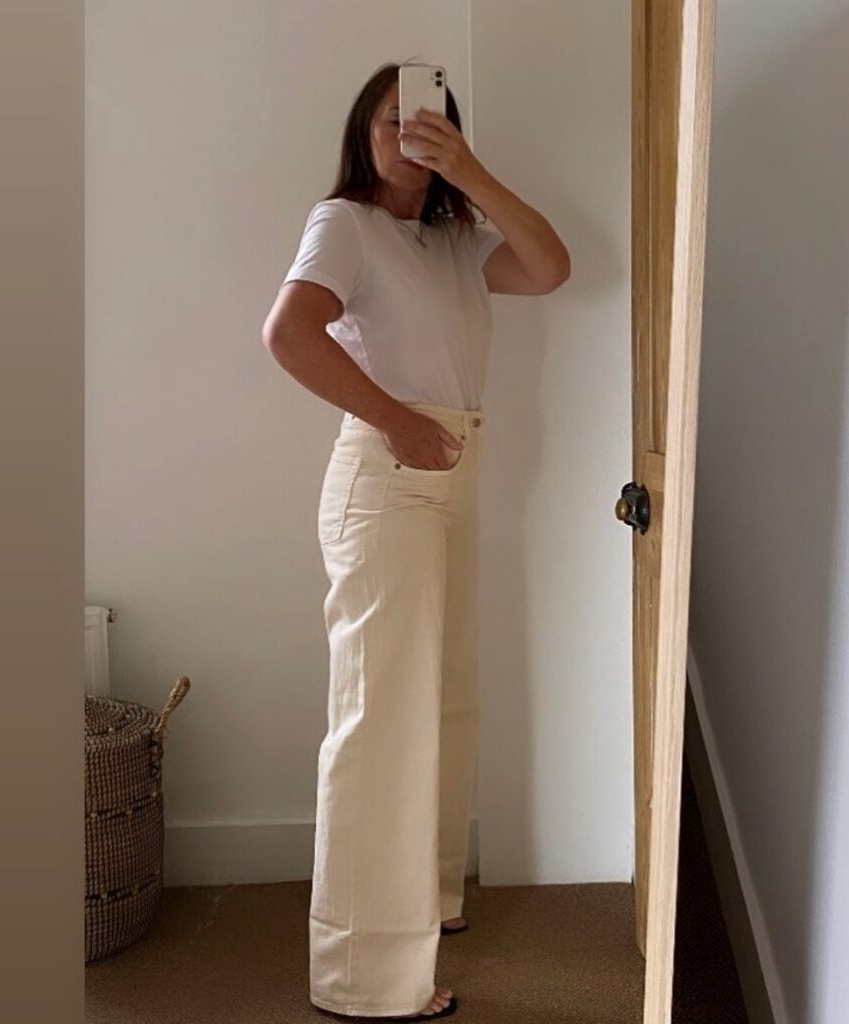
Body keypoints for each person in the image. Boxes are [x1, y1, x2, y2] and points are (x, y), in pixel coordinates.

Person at [261, 62, 569, 1021]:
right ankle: (362, 976)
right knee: (379, 725)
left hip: (453, 472)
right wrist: (395, 419)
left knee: (444, 700)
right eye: (393, 122)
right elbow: (289, 333)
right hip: (389, 477)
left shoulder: (455, 241)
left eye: (427, 121)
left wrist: (470, 173)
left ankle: (427, 900)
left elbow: (551, 266)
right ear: (364, 132)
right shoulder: (343, 224)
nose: (408, 136)